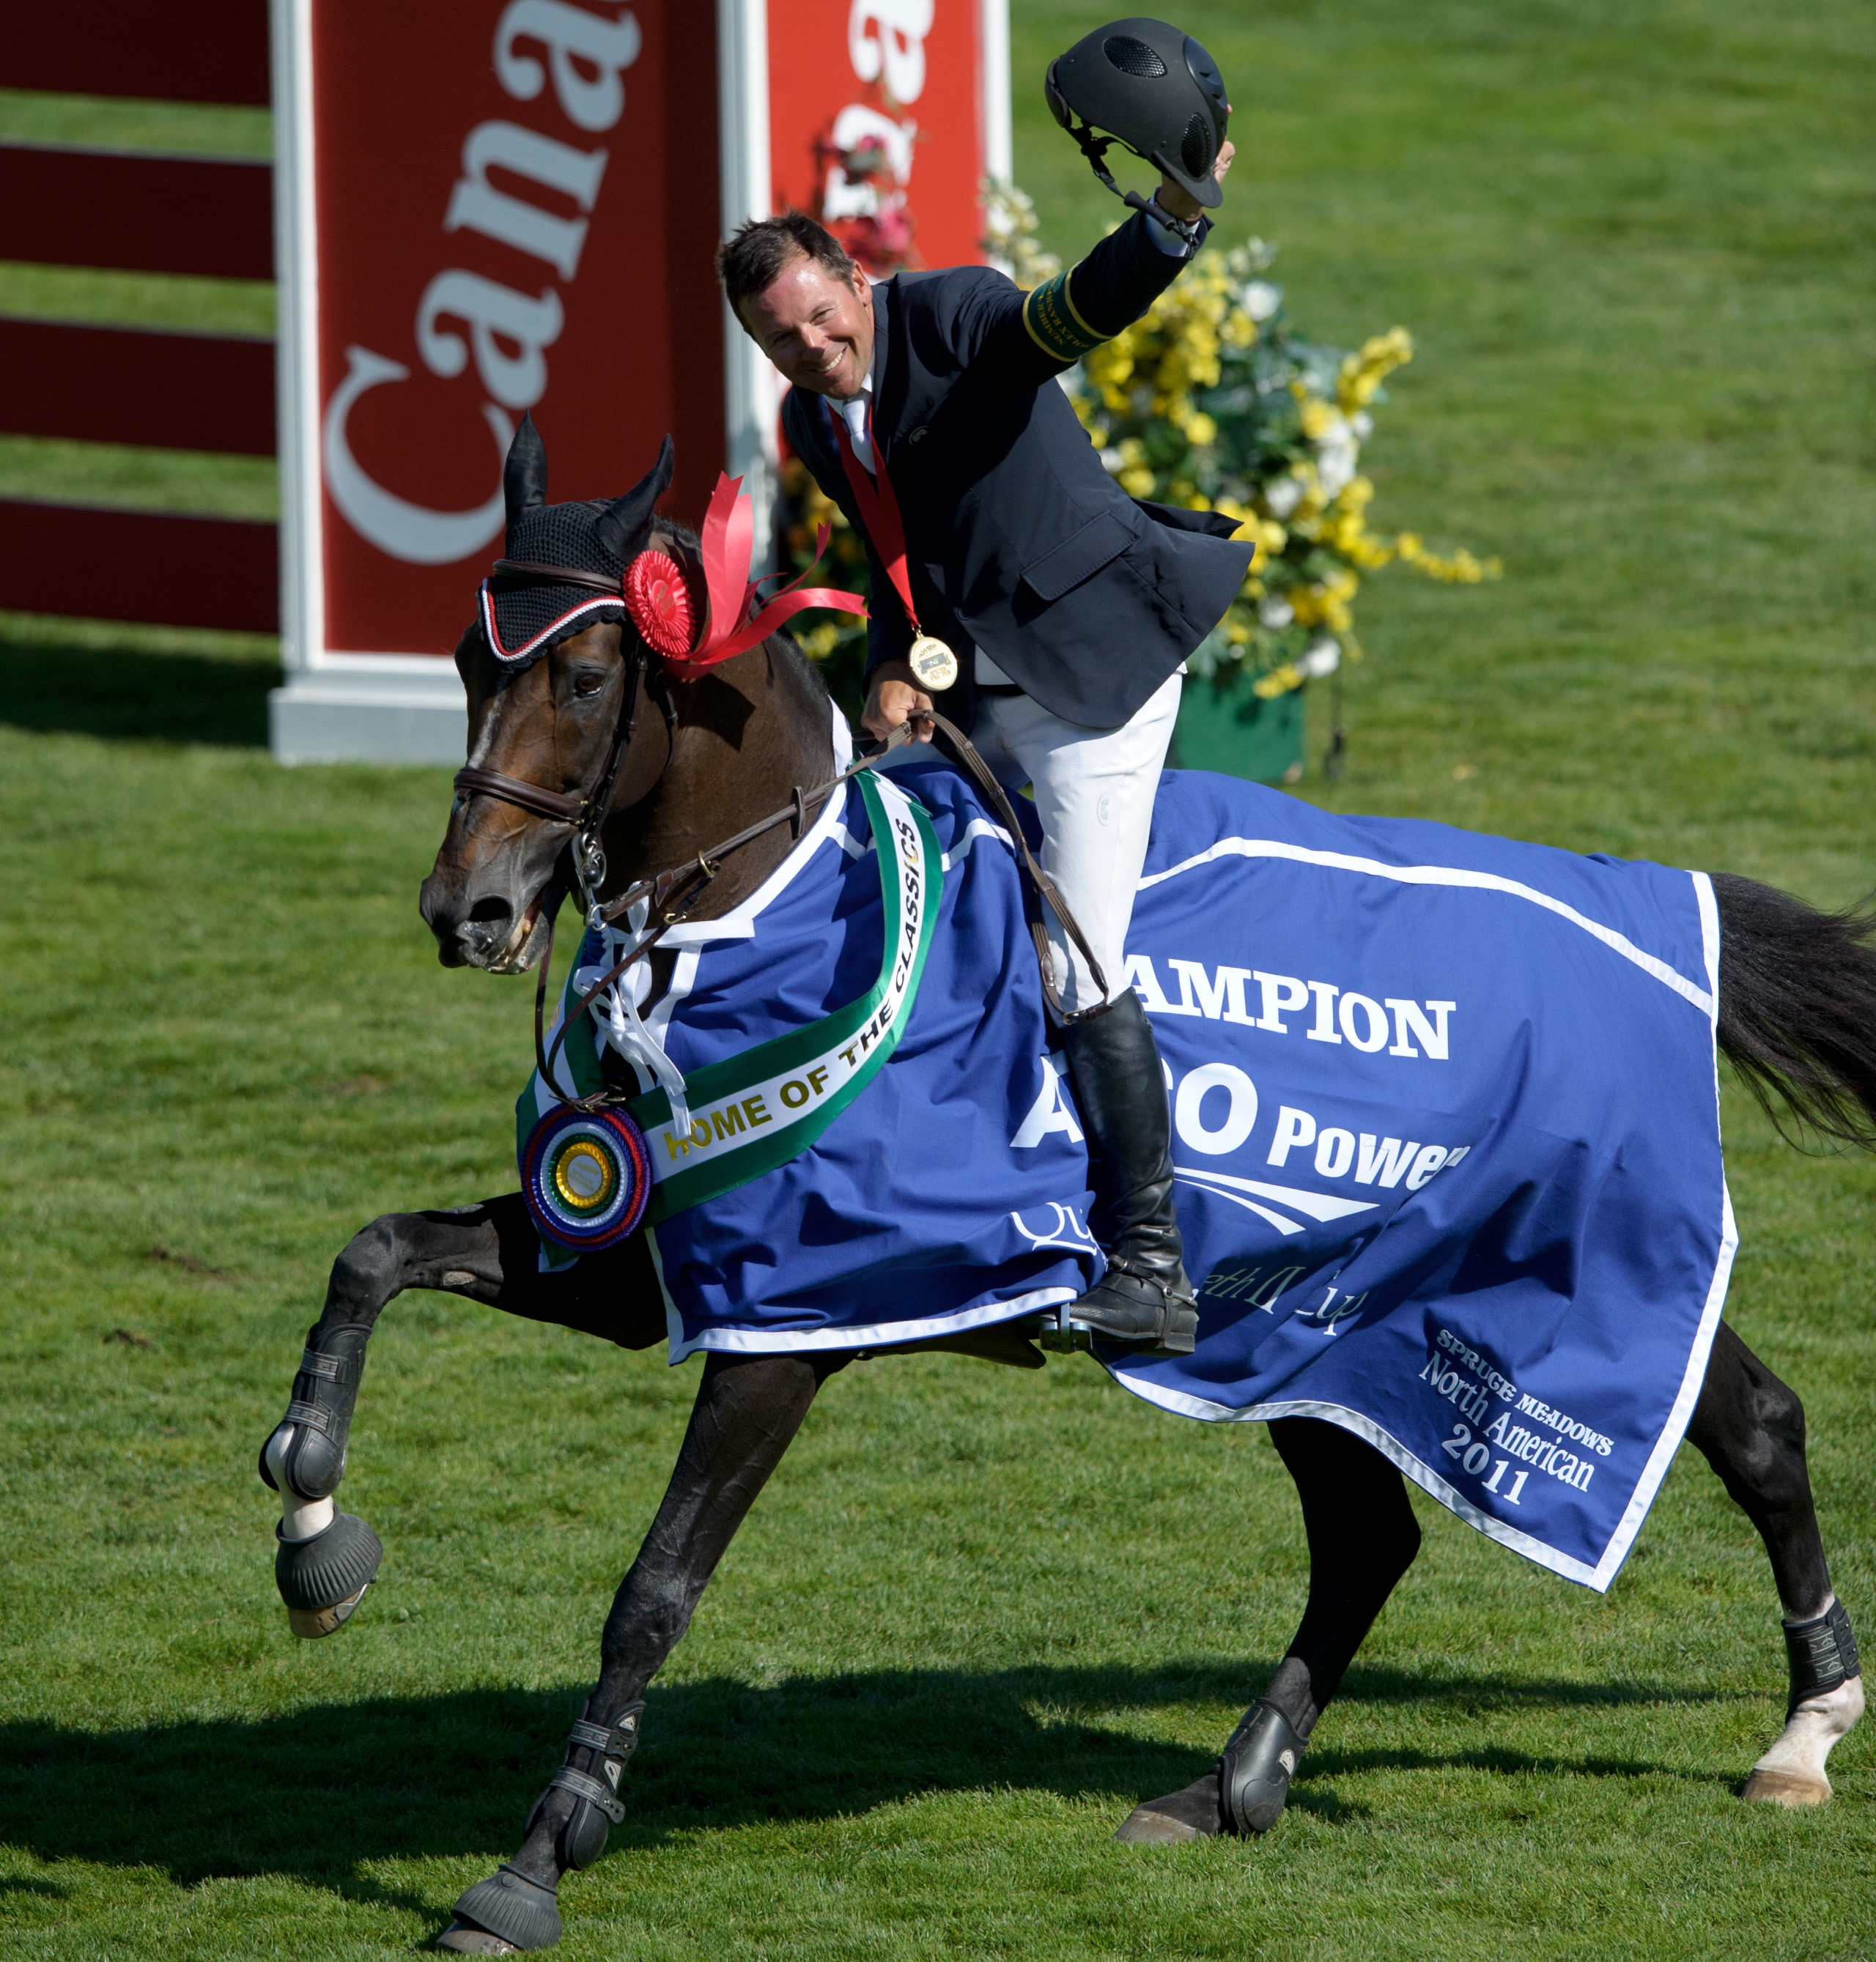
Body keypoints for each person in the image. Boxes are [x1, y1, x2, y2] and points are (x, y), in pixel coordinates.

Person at [713, 33, 1252, 1355]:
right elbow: (903, 563)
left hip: (1094, 687)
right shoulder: (805, 427)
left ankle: (1152, 1264)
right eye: (781, 339)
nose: (813, 345)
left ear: (854, 274)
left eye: (822, 314)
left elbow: (1066, 313)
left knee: (1078, 963)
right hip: (980, 698)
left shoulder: (951, 315)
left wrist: (1174, 221)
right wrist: (894, 661)